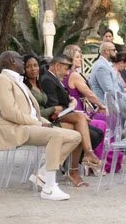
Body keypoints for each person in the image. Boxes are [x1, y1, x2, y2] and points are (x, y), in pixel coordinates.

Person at [0, 51, 82, 201]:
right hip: (15, 128)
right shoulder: (1, 80)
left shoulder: (18, 81)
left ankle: (43, 174)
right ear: (13, 61)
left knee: (75, 136)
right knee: (56, 135)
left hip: (32, 125)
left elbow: (32, 111)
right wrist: (38, 123)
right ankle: (49, 188)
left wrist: (43, 122)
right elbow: (10, 113)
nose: (23, 64)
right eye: (21, 60)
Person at [23, 54, 102, 186]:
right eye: (29, 66)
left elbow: (55, 103)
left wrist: (69, 103)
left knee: (79, 130)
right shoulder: (41, 82)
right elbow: (49, 107)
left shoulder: (40, 82)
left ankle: (72, 169)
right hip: (45, 120)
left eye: (35, 65)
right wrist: (66, 107)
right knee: (79, 123)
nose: (33, 69)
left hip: (54, 116)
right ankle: (78, 165)